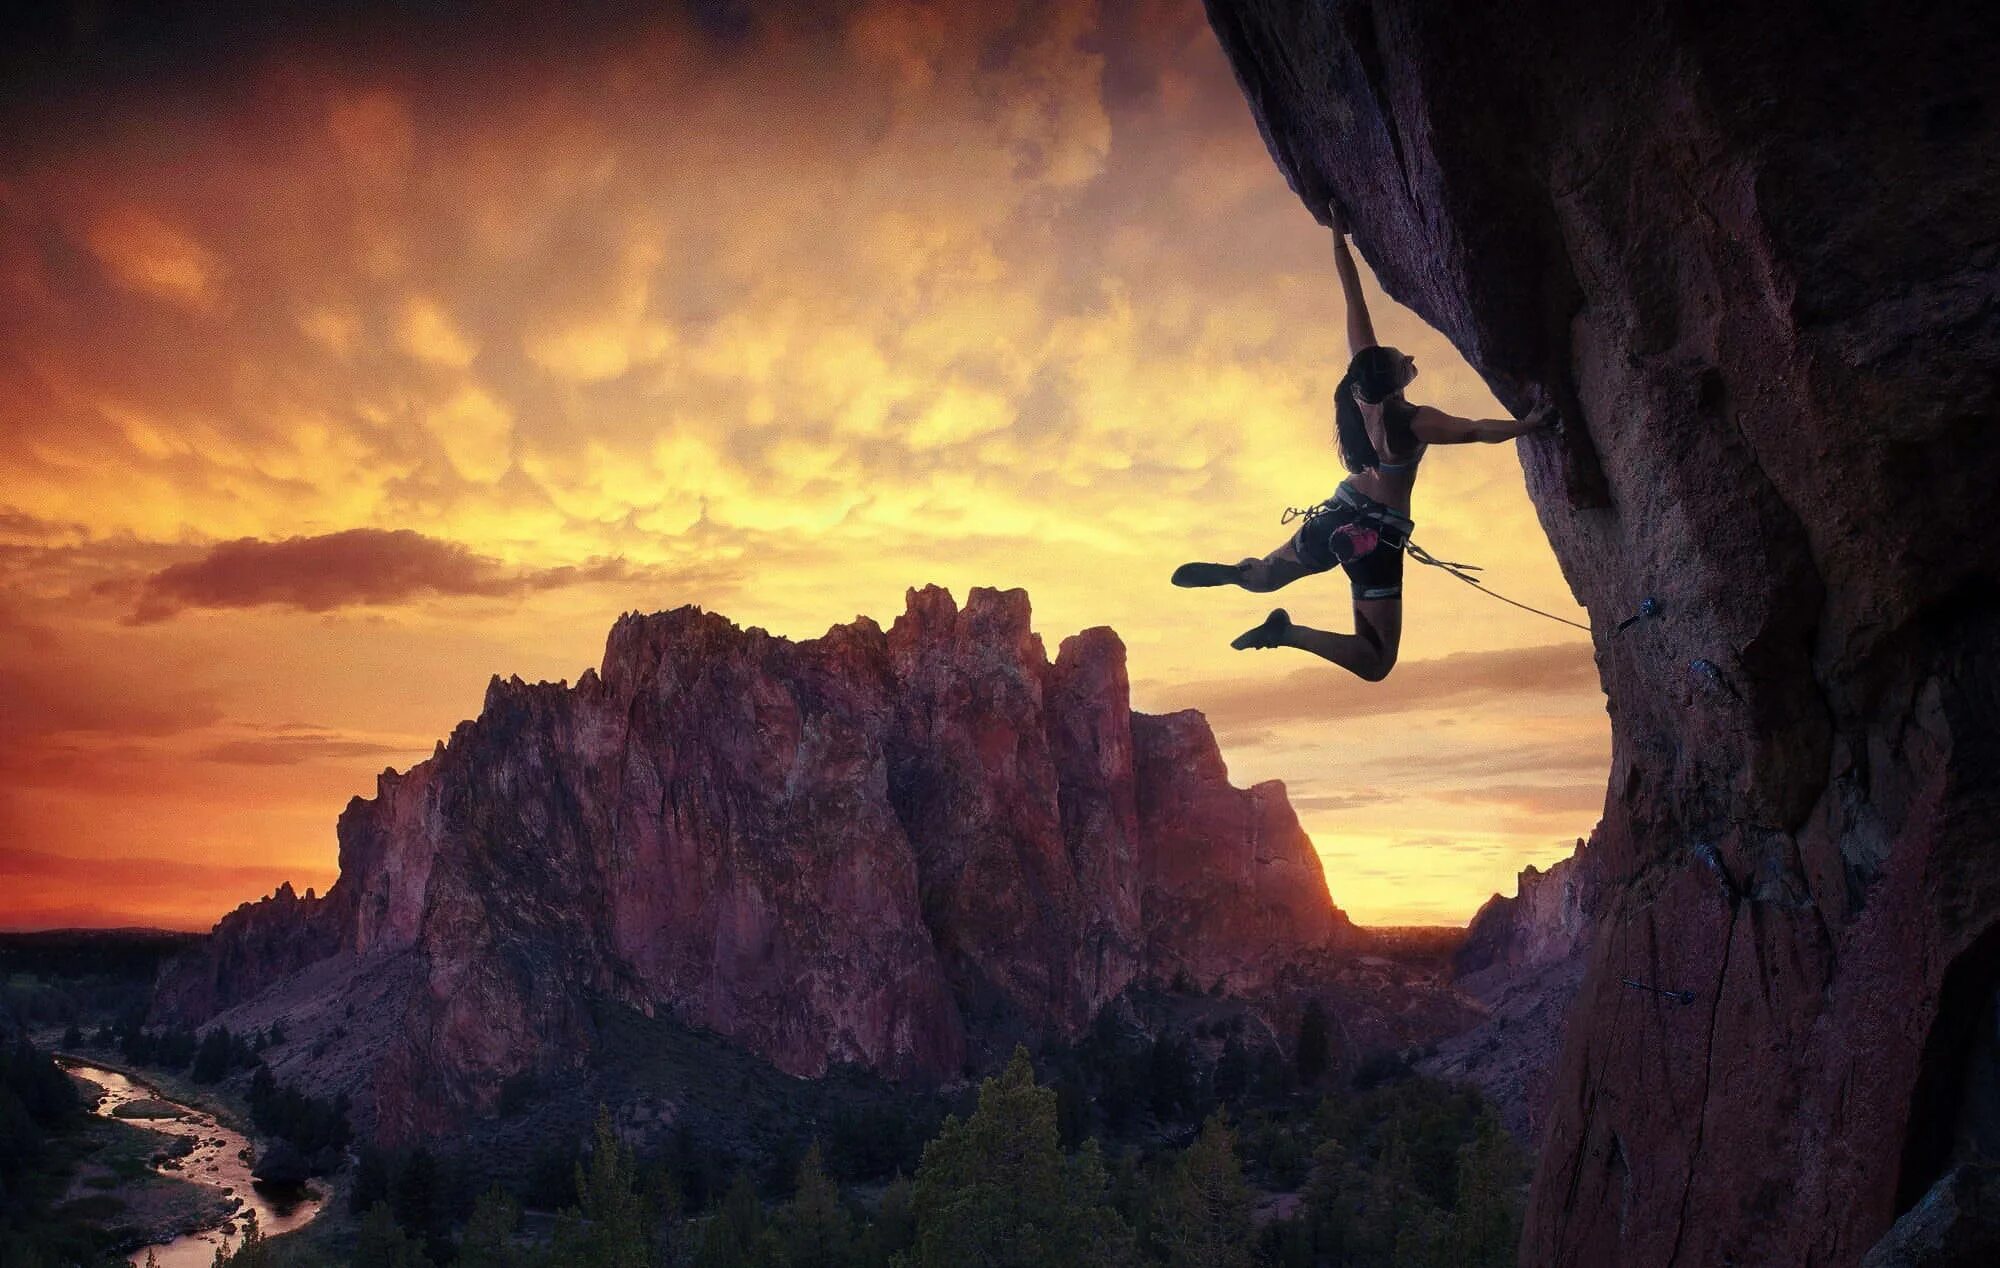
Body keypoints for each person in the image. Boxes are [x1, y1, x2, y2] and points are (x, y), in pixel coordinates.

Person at [1171, 200, 1554, 681]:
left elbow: (1353, 298)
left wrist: (1338, 234)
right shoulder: (1413, 421)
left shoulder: (1357, 391)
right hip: (1372, 539)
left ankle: (1243, 574)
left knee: (1270, 576)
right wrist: (1528, 424)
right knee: (1375, 661)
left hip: (1338, 513)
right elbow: (1476, 429)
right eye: (1403, 362)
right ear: (1394, 382)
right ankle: (1287, 634)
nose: (1409, 357)